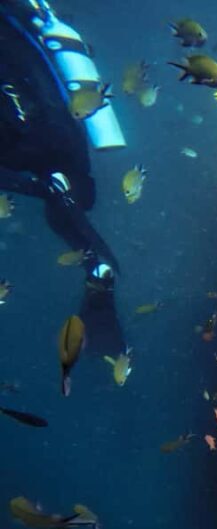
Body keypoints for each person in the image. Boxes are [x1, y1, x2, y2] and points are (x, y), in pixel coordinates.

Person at [0, 0, 126, 356]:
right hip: (57, 127)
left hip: (35, 131)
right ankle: (99, 271)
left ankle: (96, 267)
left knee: (65, 191)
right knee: (70, 192)